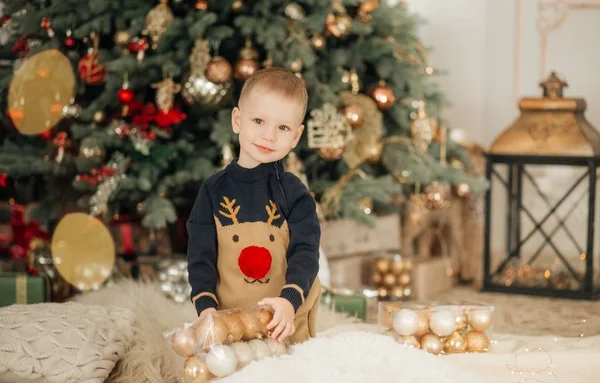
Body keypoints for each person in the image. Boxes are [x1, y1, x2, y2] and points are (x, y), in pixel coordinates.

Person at [186, 67, 321, 344]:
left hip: (285, 319)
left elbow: (306, 252)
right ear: (238, 120)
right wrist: (207, 310)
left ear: (295, 136)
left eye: (283, 127)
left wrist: (290, 301)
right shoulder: (212, 190)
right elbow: (200, 257)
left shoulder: (295, 193)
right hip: (230, 321)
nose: (268, 136)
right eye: (259, 121)